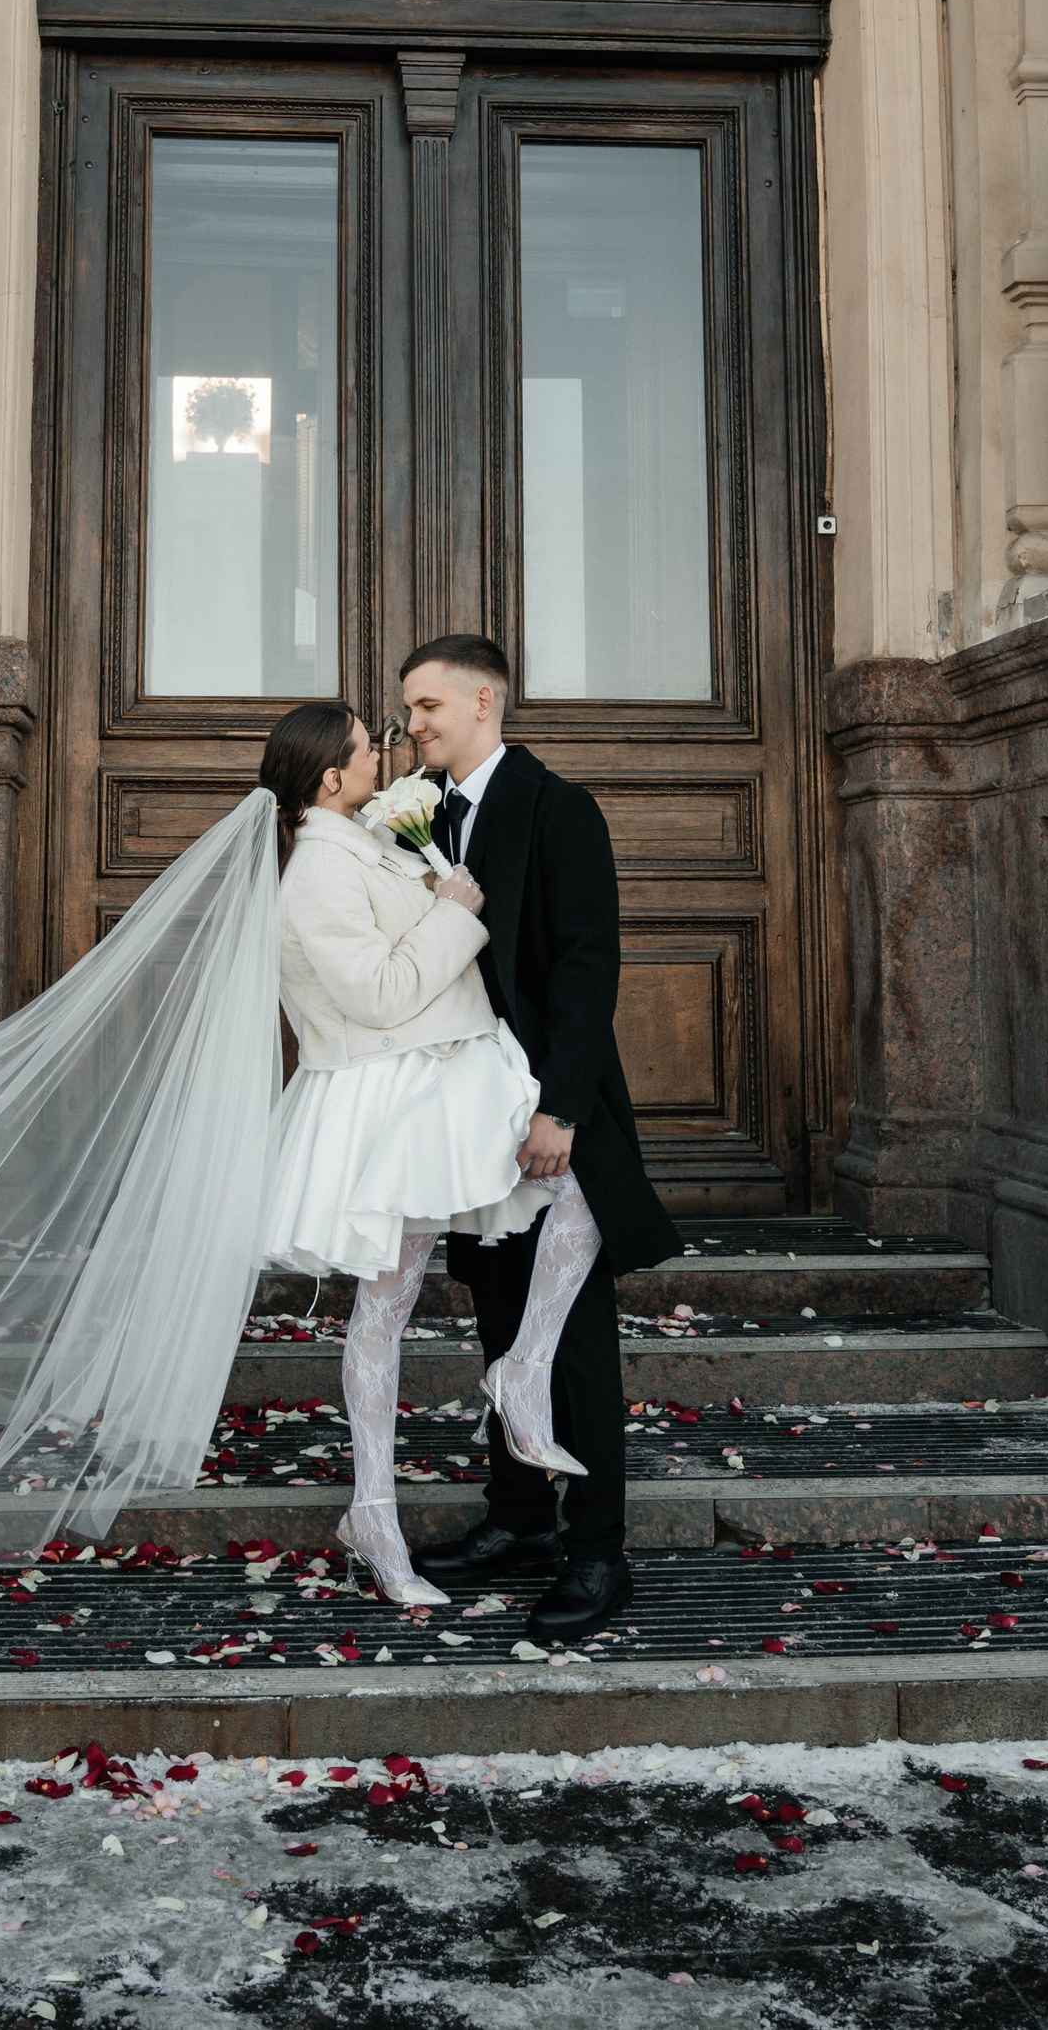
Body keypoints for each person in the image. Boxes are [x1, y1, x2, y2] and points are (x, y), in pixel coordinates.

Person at [258, 699, 606, 1615]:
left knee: (579, 1193)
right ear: (329, 775)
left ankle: (522, 1367)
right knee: (386, 1304)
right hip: (393, 1098)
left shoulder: (364, 839)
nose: (385, 752)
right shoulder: (316, 870)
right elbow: (380, 992)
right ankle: (375, 1513)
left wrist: (438, 885)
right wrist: (455, 908)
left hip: (441, 1077)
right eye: (366, 747)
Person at [400, 635, 682, 1640]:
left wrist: (561, 1110)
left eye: (428, 705)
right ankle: (519, 1518)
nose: (412, 724)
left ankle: (599, 1553)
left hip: (548, 1120)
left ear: (484, 700)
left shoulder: (560, 808)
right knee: (499, 1324)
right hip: (466, 1119)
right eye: (409, 709)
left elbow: (585, 966)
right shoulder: (422, 816)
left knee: (573, 1343)